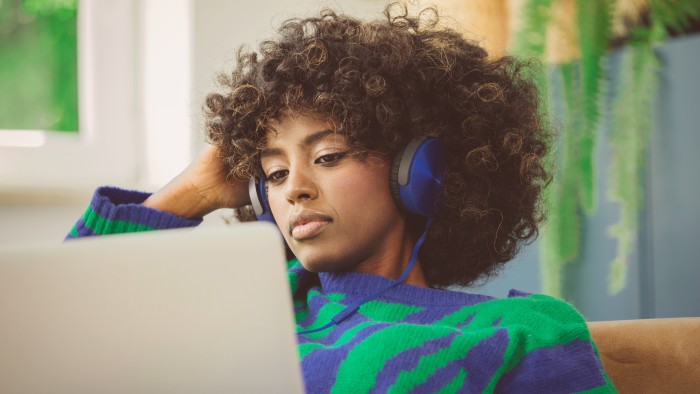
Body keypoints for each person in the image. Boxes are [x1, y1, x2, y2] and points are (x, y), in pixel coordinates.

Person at [67, 4, 616, 393]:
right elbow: (58, 333)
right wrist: (195, 190)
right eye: (273, 174)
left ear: (419, 170)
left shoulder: (522, 331)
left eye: (327, 156)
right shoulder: (247, 309)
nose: (295, 188)